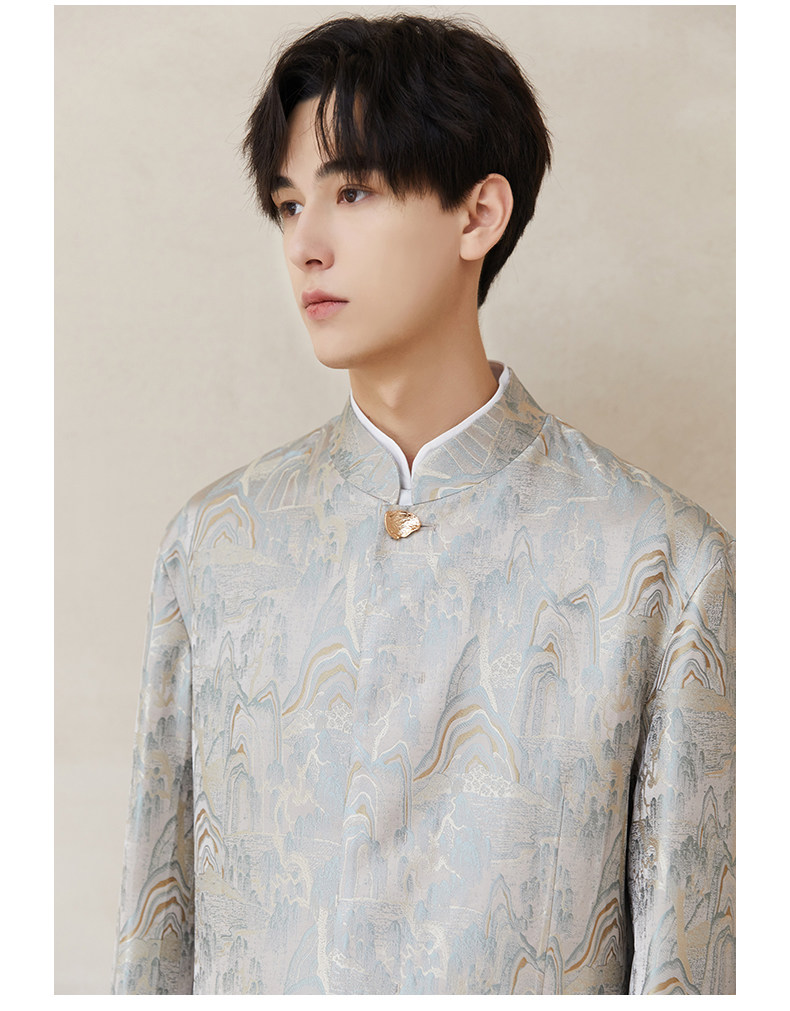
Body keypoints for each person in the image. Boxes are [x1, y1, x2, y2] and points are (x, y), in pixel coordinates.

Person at [112, 13, 735, 996]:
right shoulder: (218, 544)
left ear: (477, 215)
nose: (305, 244)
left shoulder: (656, 562)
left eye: (352, 192)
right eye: (287, 204)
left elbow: (686, 961)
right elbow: (159, 932)